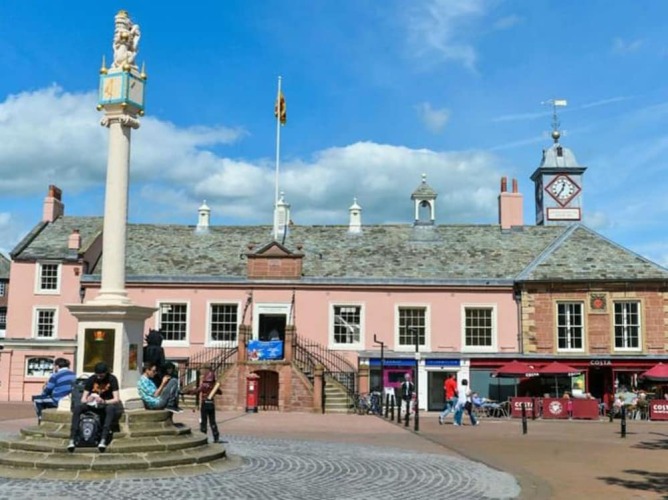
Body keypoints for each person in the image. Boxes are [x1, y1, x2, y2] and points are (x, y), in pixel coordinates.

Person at [67, 362, 122, 453]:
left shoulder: (112, 379)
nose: (99, 377)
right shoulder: (91, 379)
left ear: (106, 373)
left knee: (111, 409)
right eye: (97, 375)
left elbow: (116, 399)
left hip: (105, 404)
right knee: (77, 408)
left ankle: (103, 438)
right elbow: (83, 399)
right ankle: (72, 438)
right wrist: (88, 399)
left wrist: (104, 401)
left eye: (101, 375)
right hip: (92, 405)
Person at [32, 357, 76, 424]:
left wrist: (44, 390)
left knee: (36, 399)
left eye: (54, 366)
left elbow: (48, 390)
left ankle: (41, 418)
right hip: (70, 399)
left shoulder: (55, 376)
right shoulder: (74, 374)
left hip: (58, 399)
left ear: (57, 366)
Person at [188, 364, 222, 443]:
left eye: (203, 370)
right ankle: (216, 437)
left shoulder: (204, 384)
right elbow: (220, 392)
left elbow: (197, 390)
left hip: (205, 403)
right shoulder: (214, 385)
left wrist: (189, 392)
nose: (202, 371)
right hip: (211, 403)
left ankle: (203, 436)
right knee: (212, 421)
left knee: (204, 421)